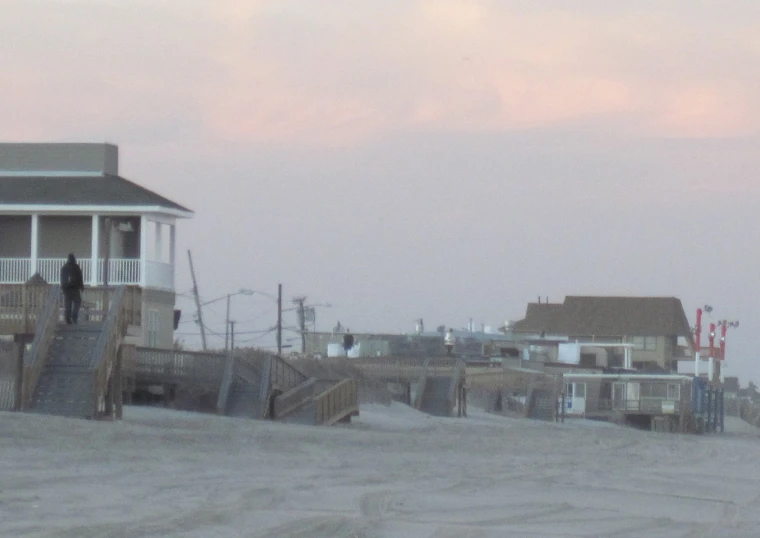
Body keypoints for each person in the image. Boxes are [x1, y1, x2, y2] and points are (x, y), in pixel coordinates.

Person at [60, 253, 84, 324]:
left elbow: (62, 279)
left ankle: (68, 319)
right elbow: (80, 278)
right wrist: (81, 286)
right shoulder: (76, 267)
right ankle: (74, 315)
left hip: (67, 289)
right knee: (77, 302)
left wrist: (63, 288)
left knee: (68, 305)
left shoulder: (64, 267)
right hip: (75, 289)